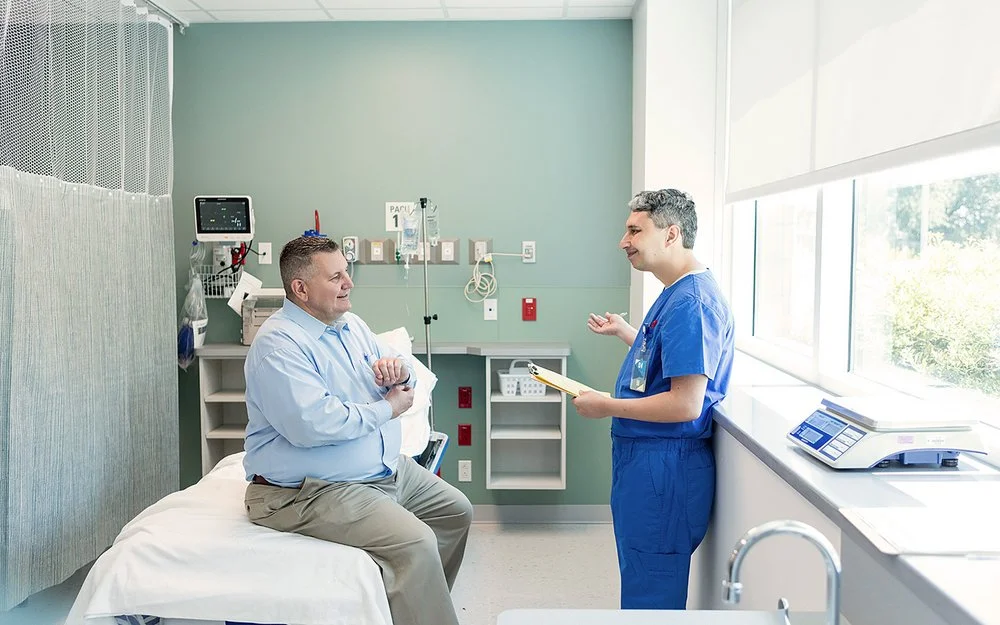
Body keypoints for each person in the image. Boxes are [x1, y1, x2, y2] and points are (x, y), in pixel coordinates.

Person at [242, 236, 472, 625]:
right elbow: (314, 424)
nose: (349, 283)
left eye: (346, 272)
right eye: (336, 277)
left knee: (455, 512)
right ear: (300, 289)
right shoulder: (279, 345)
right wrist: (389, 407)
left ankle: (410, 609)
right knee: (416, 542)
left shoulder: (349, 325)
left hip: (380, 472)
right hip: (307, 491)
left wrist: (400, 372)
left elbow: (403, 364)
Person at [574, 189, 735, 610]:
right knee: (642, 583)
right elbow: (665, 364)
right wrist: (628, 333)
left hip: (664, 469)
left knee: (651, 601)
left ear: (671, 234)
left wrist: (606, 404)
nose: (623, 241)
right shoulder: (676, 293)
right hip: (647, 463)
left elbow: (685, 404)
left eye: (634, 230)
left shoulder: (692, 302)